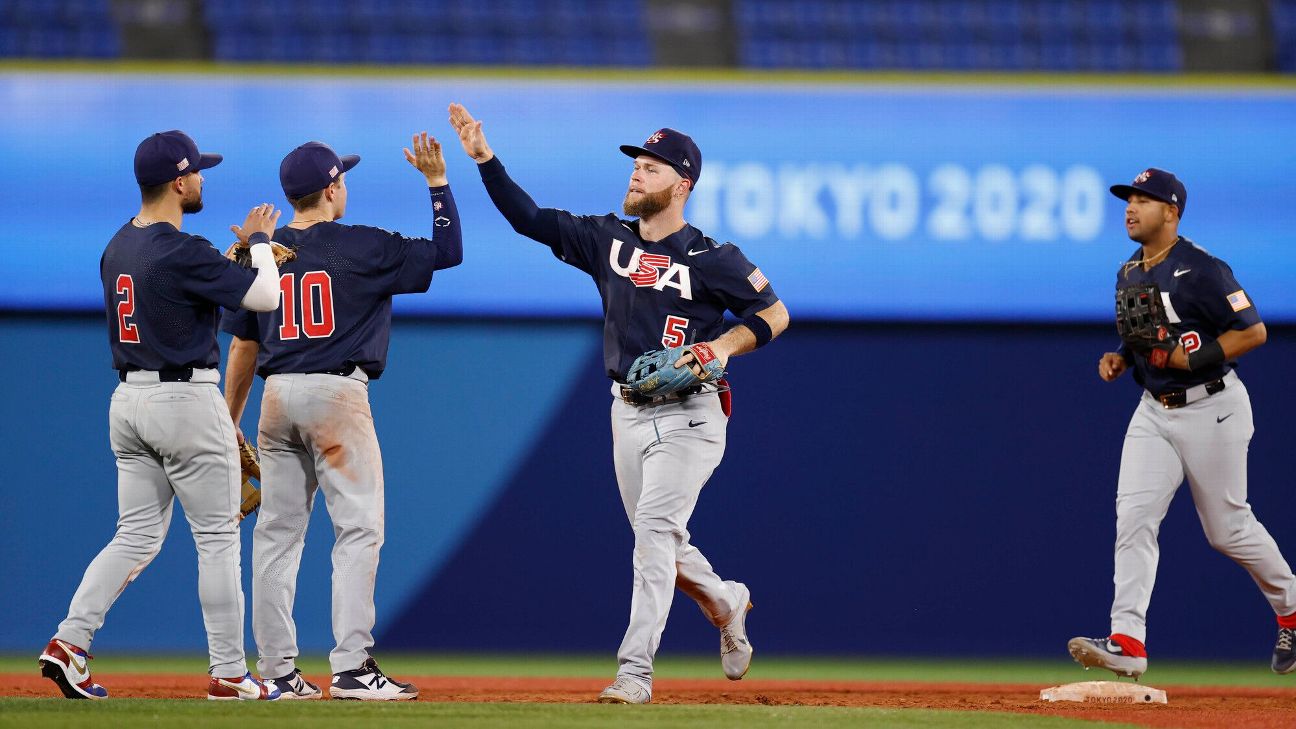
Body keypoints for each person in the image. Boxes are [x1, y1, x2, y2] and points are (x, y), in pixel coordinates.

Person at [448, 103, 789, 704]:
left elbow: (774, 314)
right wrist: (483, 157)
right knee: (662, 542)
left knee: (654, 535)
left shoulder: (713, 257)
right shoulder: (608, 239)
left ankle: (634, 672)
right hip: (626, 411)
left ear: (682, 185)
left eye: (653, 168)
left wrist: (722, 346)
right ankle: (726, 600)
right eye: (637, 164)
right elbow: (529, 218)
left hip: (692, 414)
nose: (637, 173)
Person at [39, 130, 283, 701]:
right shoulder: (182, 247)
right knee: (218, 538)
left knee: (135, 534)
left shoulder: (119, 245)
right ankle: (229, 674)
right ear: (178, 181)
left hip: (128, 402)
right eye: (197, 172)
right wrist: (261, 243)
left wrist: (227, 262)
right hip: (185, 399)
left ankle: (69, 642)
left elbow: (174, 295)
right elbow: (266, 298)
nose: (202, 180)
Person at [221, 133, 462, 700]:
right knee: (358, 531)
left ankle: (278, 672)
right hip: (336, 395)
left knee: (278, 537)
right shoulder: (362, 245)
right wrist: (436, 183)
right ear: (331, 190)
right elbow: (446, 253)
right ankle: (353, 667)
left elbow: (242, 348)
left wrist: (228, 422)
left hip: (276, 397)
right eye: (342, 180)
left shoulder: (264, 251)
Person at [1068, 168, 1296, 679]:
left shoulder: (1203, 269)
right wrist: (1123, 358)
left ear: (1171, 212)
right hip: (1154, 410)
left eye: (1143, 201)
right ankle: (1128, 641)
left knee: (1228, 530)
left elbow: (1253, 331)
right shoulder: (1129, 271)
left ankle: (1293, 610)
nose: (1130, 208)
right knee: (1134, 520)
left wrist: (1195, 359)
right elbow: (1146, 333)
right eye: (1128, 199)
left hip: (1213, 406)